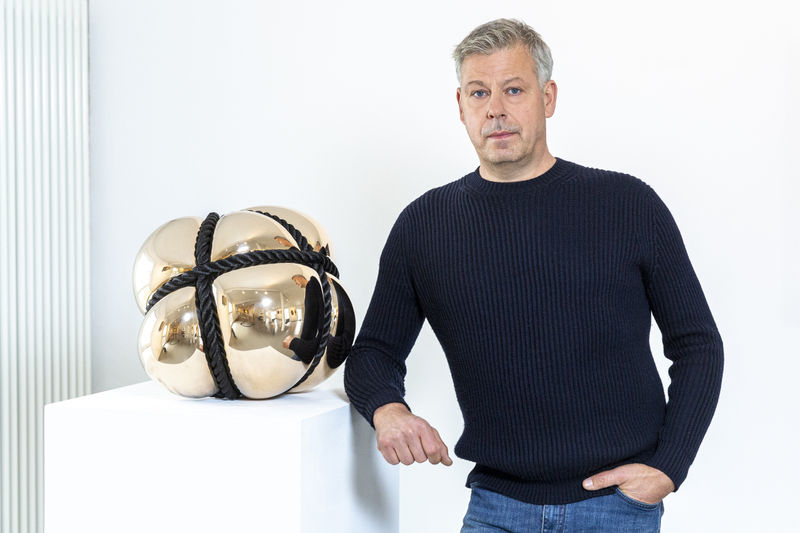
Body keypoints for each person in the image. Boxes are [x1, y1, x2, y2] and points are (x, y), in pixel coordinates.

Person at [343, 18, 724, 532]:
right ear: (461, 106)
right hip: (495, 507)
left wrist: (668, 468)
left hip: (615, 506)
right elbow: (373, 353)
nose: (495, 109)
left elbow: (698, 343)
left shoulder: (628, 205)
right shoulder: (425, 225)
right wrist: (387, 409)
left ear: (548, 97)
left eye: (513, 89)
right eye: (479, 93)